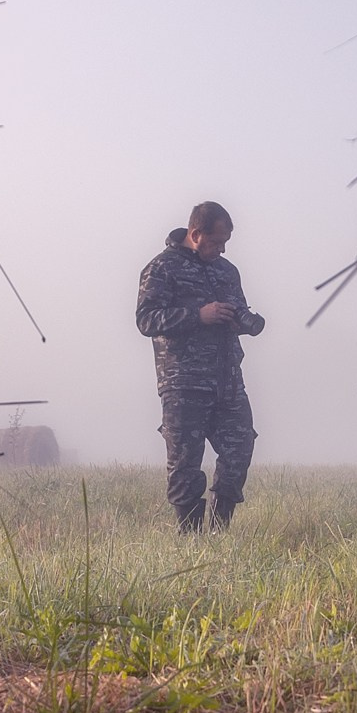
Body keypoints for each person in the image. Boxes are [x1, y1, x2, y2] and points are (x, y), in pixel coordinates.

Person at [134, 202, 265, 531]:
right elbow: (146, 319)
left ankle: (221, 532)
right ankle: (190, 542)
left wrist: (240, 321)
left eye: (226, 242)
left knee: (240, 449)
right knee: (185, 465)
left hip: (228, 380)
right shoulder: (161, 268)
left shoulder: (227, 271)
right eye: (217, 241)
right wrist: (198, 315)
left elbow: (235, 307)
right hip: (183, 382)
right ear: (195, 234)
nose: (222, 249)